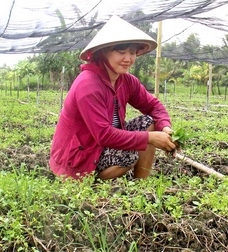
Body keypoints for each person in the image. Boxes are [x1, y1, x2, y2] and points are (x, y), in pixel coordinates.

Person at [49, 15, 177, 180]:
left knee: (149, 123)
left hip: (103, 146)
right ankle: (89, 180)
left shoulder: (126, 81)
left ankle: (140, 184)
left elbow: (153, 106)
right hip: (79, 154)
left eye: (132, 52)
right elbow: (104, 135)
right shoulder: (88, 85)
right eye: (121, 52)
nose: (128, 59)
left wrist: (165, 127)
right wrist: (150, 138)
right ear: (103, 52)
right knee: (129, 154)